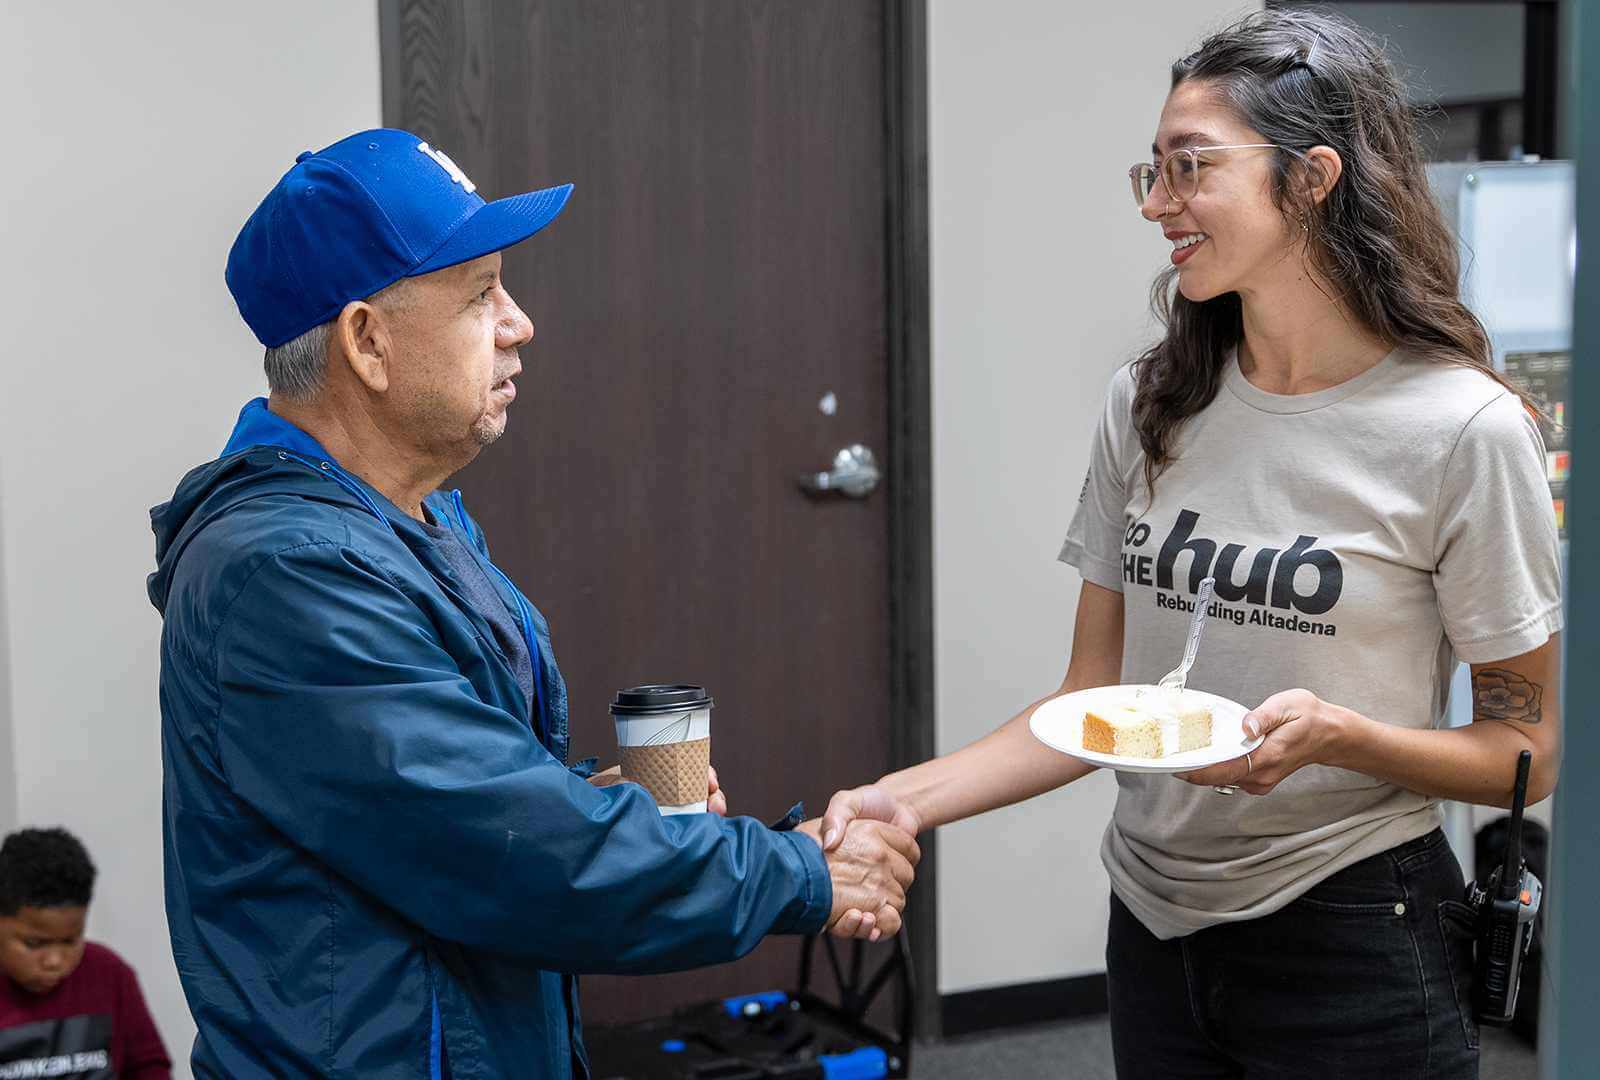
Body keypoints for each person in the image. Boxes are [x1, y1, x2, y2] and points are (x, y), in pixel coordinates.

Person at [819, 10, 1562, 1078]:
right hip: (1153, 924)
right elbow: (1089, 700)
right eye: (1151, 170)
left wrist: (1340, 738)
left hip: (1355, 928)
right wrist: (904, 800)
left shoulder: (1460, 429)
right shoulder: (1153, 400)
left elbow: (1521, 759)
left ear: (1311, 179)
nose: (1158, 203)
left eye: (1189, 167)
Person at [147, 128, 917, 1079]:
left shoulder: (409, 521)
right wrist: (803, 873)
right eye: (481, 296)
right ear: (368, 342)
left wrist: (595, 801)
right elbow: (510, 853)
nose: (520, 323)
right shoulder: (289, 572)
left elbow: (457, 802)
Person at [0, 828, 171, 1079]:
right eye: (34, 943)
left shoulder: (110, 974)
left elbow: (148, 1067)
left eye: (70, 941)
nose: (55, 961)